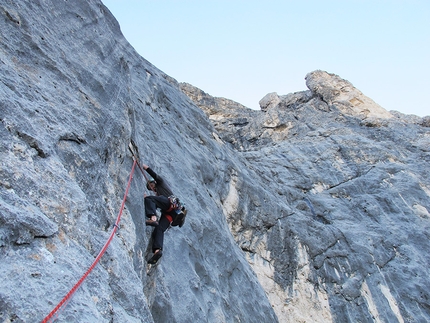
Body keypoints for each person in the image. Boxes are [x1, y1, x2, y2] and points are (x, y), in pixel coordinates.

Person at [142, 164, 178, 265]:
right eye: (149, 188)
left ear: (154, 182)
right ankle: (157, 251)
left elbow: (154, 175)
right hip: (171, 213)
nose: (151, 187)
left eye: (151, 185)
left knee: (150, 199)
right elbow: (155, 203)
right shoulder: (158, 195)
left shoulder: (161, 184)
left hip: (170, 203)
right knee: (159, 229)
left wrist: (146, 168)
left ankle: (153, 218)